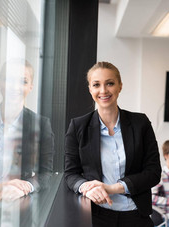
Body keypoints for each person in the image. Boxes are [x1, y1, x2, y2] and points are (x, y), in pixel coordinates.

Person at [64, 61, 161, 227]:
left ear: (120, 86)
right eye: (96, 85)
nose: (103, 91)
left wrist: (112, 188)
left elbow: (153, 172)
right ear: (90, 89)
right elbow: (71, 174)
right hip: (96, 216)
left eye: (110, 83)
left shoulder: (140, 123)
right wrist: (87, 187)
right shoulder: (78, 126)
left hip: (136, 214)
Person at [0, 59, 55, 224]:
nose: (15, 87)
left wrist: (24, 188)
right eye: (9, 79)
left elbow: (46, 173)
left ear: (30, 87)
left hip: (14, 205)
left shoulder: (40, 125)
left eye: (23, 81)